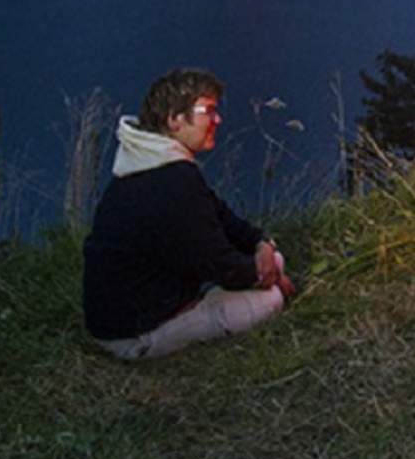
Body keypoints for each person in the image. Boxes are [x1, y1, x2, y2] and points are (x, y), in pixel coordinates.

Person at [82, 68, 294, 360]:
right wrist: (264, 275)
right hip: (133, 333)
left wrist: (262, 243)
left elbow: (224, 219)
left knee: (274, 258)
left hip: (148, 304)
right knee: (271, 300)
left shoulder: (154, 165)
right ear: (175, 119)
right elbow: (219, 264)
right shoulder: (170, 181)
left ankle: (212, 297)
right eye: (208, 111)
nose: (217, 120)